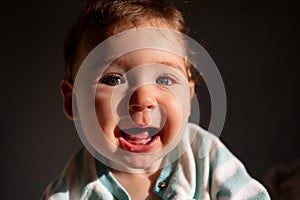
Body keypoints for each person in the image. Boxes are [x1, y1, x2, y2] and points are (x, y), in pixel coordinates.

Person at [42, 0, 270, 199]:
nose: (143, 99)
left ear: (189, 96)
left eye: (165, 79)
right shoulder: (71, 189)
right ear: (72, 101)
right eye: (113, 80)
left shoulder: (204, 155)